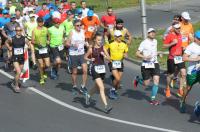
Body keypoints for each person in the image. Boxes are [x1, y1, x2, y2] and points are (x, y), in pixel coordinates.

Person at [84, 33, 112, 113]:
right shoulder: (91, 49)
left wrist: (105, 56)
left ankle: (88, 95)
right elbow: (85, 57)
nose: (100, 41)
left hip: (102, 69)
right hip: (94, 69)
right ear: (95, 40)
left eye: (101, 40)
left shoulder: (103, 48)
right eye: (99, 40)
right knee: (101, 88)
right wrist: (90, 59)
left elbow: (110, 59)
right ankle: (106, 106)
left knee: (96, 87)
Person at [134, 28, 160, 105]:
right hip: (146, 64)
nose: (152, 34)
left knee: (156, 81)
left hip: (154, 63)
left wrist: (158, 54)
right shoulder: (144, 43)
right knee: (146, 84)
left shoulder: (156, 41)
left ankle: (153, 99)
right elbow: (137, 53)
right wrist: (144, 57)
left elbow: (154, 51)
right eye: (151, 32)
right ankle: (138, 79)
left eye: (154, 32)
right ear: (148, 34)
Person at [163, 22, 186, 98]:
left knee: (183, 73)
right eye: (177, 28)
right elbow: (164, 46)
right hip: (172, 58)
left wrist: (183, 49)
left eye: (179, 28)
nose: (179, 29)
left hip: (179, 57)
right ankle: (167, 88)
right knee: (171, 75)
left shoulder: (180, 35)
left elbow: (181, 45)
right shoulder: (170, 36)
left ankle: (180, 89)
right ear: (173, 28)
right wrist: (172, 43)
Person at [179, 31, 200, 113]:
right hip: (193, 72)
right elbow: (184, 58)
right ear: (195, 38)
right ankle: (183, 100)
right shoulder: (191, 47)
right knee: (188, 88)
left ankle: (198, 107)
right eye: (199, 39)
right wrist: (196, 59)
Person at [66, 19, 88, 95]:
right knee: (74, 72)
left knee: (85, 70)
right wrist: (72, 45)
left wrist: (86, 43)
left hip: (82, 53)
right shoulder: (72, 32)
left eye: (80, 25)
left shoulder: (83, 31)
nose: (79, 27)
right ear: (74, 26)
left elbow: (84, 40)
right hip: (73, 54)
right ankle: (74, 86)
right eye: (77, 25)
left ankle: (83, 86)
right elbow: (67, 43)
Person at [105, 30, 128, 99]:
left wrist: (126, 55)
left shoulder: (124, 43)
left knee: (118, 82)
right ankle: (112, 90)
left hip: (120, 62)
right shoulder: (110, 42)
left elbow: (126, 52)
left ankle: (114, 88)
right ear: (114, 37)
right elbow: (104, 49)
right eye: (118, 37)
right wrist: (107, 56)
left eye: (120, 36)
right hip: (112, 62)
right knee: (118, 79)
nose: (119, 38)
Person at [5, 26, 29, 93]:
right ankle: (16, 86)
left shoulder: (24, 39)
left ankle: (14, 81)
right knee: (18, 72)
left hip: (21, 57)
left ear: (21, 31)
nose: (19, 31)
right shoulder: (12, 38)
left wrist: (26, 49)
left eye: (20, 30)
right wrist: (9, 47)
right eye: (17, 30)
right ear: (15, 31)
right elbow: (6, 42)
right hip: (15, 57)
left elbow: (29, 44)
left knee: (19, 73)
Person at [32, 17, 50, 85]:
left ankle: (44, 71)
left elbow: (49, 36)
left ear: (43, 22)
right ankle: (42, 78)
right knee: (41, 65)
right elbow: (32, 41)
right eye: (39, 22)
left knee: (47, 65)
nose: (40, 23)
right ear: (37, 22)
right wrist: (37, 43)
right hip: (38, 49)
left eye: (41, 22)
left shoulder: (46, 29)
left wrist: (48, 40)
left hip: (44, 49)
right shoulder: (34, 30)